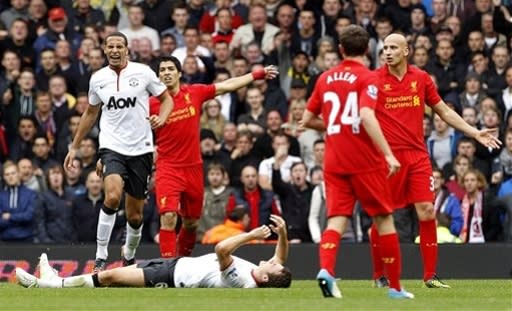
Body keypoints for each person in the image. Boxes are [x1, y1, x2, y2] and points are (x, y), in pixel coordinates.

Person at [371, 33, 501, 288]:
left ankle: (430, 276)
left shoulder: (420, 79)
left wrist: (474, 132)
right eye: (385, 48)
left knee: (427, 211)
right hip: (388, 158)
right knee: (383, 215)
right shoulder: (375, 81)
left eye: (393, 47)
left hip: (418, 156)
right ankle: (379, 275)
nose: (387, 52)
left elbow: (442, 110)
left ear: (406, 51)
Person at [302, 25, 412, 299]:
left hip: (333, 159)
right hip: (363, 159)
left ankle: (326, 270)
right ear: (368, 50)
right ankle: (396, 288)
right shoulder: (368, 77)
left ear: (340, 50)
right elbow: (365, 114)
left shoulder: (325, 78)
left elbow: (305, 120)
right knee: (385, 219)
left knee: (337, 219)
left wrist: (335, 124)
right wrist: (388, 153)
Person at [63, 31, 174, 272]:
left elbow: (167, 99)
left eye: (119, 46)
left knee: (135, 216)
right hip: (111, 146)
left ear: (127, 49)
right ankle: (101, 256)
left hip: (141, 149)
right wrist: (74, 146)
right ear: (104, 49)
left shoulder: (143, 72)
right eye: (110, 46)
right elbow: (91, 113)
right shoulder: (98, 78)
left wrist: (162, 119)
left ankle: (129, 255)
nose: (114, 50)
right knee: (112, 197)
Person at [148, 56, 278, 258]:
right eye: (162, 70)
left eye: (170, 69)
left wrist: (257, 74)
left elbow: (227, 85)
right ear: (158, 77)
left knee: (191, 223)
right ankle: (167, 267)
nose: (166, 72)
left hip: (193, 167)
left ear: (179, 73)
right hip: (168, 167)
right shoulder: (150, 104)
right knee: (168, 216)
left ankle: (182, 262)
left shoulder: (194, 93)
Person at [16, 215, 291, 289]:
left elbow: (221, 248)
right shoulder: (262, 274)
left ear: (266, 278)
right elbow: (280, 257)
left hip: (172, 277)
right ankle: (55, 281)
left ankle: (53, 285)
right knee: (114, 277)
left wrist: (253, 235)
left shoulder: (241, 281)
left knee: (111, 278)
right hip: (176, 264)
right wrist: (283, 235)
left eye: (275, 267)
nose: (274, 262)